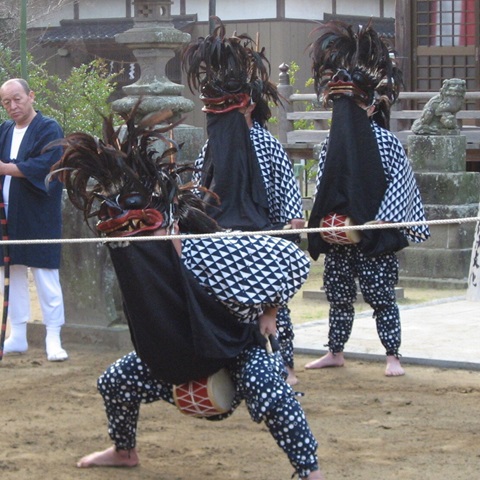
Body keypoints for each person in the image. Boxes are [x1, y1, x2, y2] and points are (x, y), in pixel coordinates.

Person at [50, 108, 325, 479]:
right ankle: (124, 450)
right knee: (114, 382)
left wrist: (269, 311)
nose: (134, 237)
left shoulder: (210, 249)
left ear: (171, 223)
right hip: (174, 353)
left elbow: (292, 260)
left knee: (272, 392)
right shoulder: (128, 256)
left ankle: (308, 471)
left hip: (234, 350)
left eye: (144, 227)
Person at [183, 19, 305, 385]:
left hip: (262, 229)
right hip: (219, 230)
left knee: (270, 301)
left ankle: (283, 363)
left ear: (249, 105)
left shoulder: (268, 145)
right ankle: (224, 362)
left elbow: (285, 189)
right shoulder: (212, 145)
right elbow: (202, 185)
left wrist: (292, 223)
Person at [305, 21, 430, 377]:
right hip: (340, 235)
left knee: (381, 296)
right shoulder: (329, 144)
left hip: (374, 233)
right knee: (338, 295)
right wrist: (323, 221)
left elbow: (401, 183)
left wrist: (382, 219)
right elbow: (323, 184)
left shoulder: (386, 142)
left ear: (371, 104)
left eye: (353, 102)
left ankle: (393, 355)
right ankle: (335, 350)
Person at [0, 78, 67, 362]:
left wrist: (6, 168)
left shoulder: (48, 127)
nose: (13, 106)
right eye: (6, 102)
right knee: (11, 272)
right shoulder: (3, 130)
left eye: (17, 99)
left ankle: (53, 335)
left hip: (38, 212)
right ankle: (17, 334)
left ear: (31, 96)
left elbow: (47, 165)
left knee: (44, 272)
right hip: (6, 213)